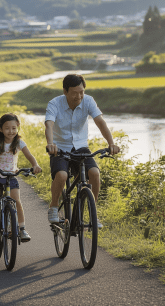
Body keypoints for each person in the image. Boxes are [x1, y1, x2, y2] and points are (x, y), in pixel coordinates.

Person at [45, 73, 120, 228]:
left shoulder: (88, 101)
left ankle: (93, 213)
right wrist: (51, 144)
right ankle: (53, 206)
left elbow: (100, 122)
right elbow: (49, 125)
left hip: (81, 147)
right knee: (62, 175)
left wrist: (111, 143)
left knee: (95, 173)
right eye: (74, 93)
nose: (79, 96)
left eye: (81, 92)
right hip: (60, 148)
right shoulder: (54, 103)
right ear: (65, 91)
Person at [0, 113, 42, 242]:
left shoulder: (18, 142)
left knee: (17, 200)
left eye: (14, 128)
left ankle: (22, 228)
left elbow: (29, 155)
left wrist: (35, 165)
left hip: (11, 176)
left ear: (18, 127)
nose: (11, 131)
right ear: (1, 129)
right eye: (7, 128)